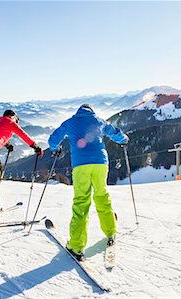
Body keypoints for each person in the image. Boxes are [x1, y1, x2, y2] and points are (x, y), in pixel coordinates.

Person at [48, 104, 128, 261]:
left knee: (81, 202)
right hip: (100, 164)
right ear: (92, 111)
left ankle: (76, 246)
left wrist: (54, 149)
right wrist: (124, 139)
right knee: (101, 195)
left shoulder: (70, 122)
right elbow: (115, 132)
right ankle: (111, 230)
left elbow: (53, 139)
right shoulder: (99, 121)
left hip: (80, 165)